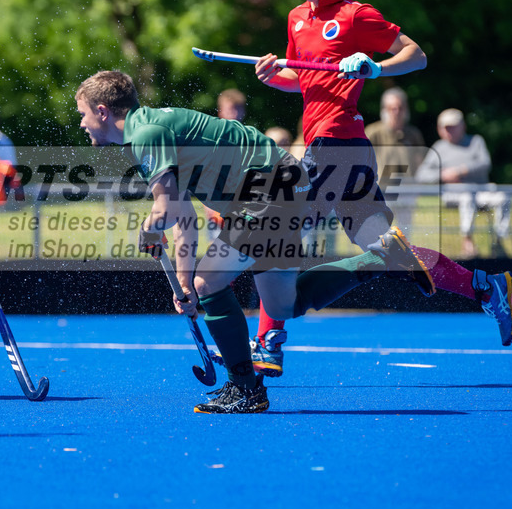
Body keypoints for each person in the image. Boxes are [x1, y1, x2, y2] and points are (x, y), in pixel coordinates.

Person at [75, 70, 434, 414]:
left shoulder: (146, 133)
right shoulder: (148, 131)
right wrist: (184, 284)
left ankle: (245, 389)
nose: (81, 123)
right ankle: (382, 257)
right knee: (282, 304)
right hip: (281, 187)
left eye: (83, 114)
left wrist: (150, 228)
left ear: (102, 111)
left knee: (209, 281)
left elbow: (165, 209)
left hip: (267, 190)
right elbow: (183, 217)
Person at [252, 0, 512, 373]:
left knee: (276, 226)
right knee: (386, 251)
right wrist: (273, 77)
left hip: (337, 143)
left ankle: (268, 339)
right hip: (335, 147)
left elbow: (416, 55)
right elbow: (304, 80)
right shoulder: (297, 18)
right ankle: (484, 286)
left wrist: (375, 68)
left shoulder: (356, 16)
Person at [415, 108, 512, 258]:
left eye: (453, 127)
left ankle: (499, 240)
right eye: (446, 127)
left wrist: (461, 171)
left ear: (463, 126)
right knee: (467, 197)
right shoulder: (439, 148)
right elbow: (421, 175)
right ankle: (467, 242)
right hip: (453, 195)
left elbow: (485, 163)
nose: (449, 131)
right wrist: (443, 175)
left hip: (480, 192)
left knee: (504, 197)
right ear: (439, 129)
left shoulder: (475, 142)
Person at [364, 86, 427, 232]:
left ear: (406, 109)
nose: (396, 112)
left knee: (405, 232)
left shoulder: (413, 134)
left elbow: (420, 161)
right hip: (382, 191)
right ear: (384, 109)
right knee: (381, 233)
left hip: (407, 190)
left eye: (400, 108)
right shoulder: (373, 132)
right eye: (392, 108)